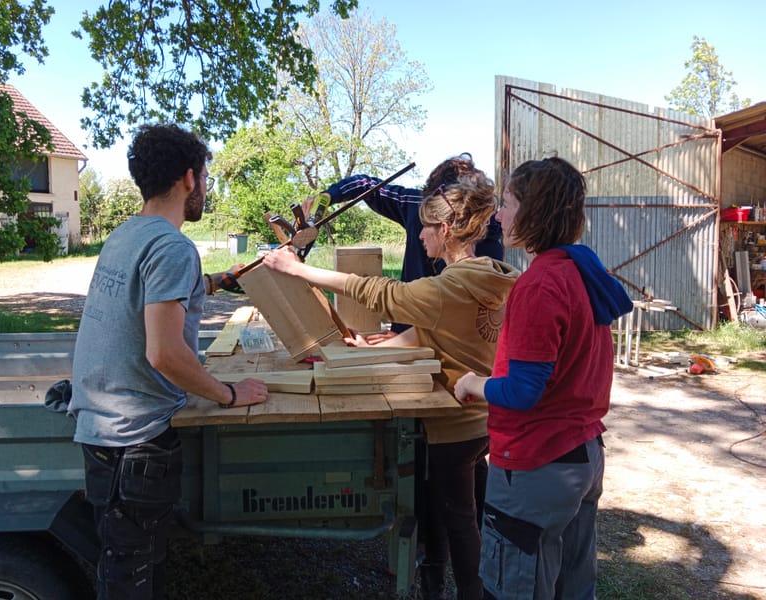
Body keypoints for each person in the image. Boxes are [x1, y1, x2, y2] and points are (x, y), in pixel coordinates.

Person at [264, 172, 519, 600]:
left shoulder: (446, 287)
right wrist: (379, 345)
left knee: (459, 522)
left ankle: (472, 592)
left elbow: (377, 291)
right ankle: (439, 582)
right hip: (485, 419)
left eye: (424, 227)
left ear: (445, 230)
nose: (418, 235)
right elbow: (436, 331)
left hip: (453, 425)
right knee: (462, 514)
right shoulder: (492, 275)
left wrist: (298, 269)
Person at [68, 123, 269, 600]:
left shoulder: (127, 235)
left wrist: (217, 280)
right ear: (189, 178)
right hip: (134, 443)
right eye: (205, 177)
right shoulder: (173, 246)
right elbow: (163, 353)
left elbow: (153, 298)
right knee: (132, 581)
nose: (205, 188)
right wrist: (229, 394)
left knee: (130, 568)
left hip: (104, 432)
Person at [454, 157, 633, 599]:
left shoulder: (540, 285)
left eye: (507, 204)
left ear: (535, 211)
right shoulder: (582, 271)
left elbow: (523, 391)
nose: (498, 216)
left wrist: (473, 383)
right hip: (582, 455)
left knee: (517, 587)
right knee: (572, 586)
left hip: (538, 463)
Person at [304, 152, 503, 338]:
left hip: (447, 346)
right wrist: (328, 196)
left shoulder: (485, 248)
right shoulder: (418, 203)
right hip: (415, 337)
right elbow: (366, 186)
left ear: (446, 225)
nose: (421, 234)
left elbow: (464, 318)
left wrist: (299, 269)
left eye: (428, 222)